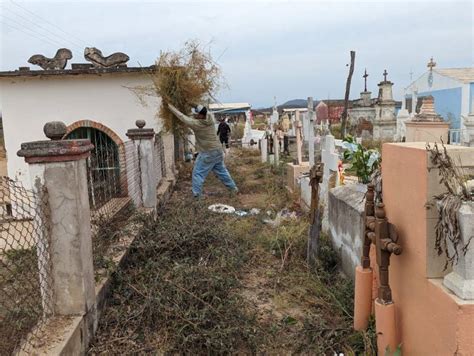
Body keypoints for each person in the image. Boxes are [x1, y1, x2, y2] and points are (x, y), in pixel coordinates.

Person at [168, 103, 238, 198]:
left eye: (196, 114)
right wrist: (193, 104)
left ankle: (197, 197)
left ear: (201, 115)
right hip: (218, 150)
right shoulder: (210, 118)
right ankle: (233, 189)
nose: (195, 115)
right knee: (222, 171)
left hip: (208, 152)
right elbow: (203, 110)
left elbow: (182, 117)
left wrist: (170, 106)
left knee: (198, 173)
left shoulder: (197, 124)